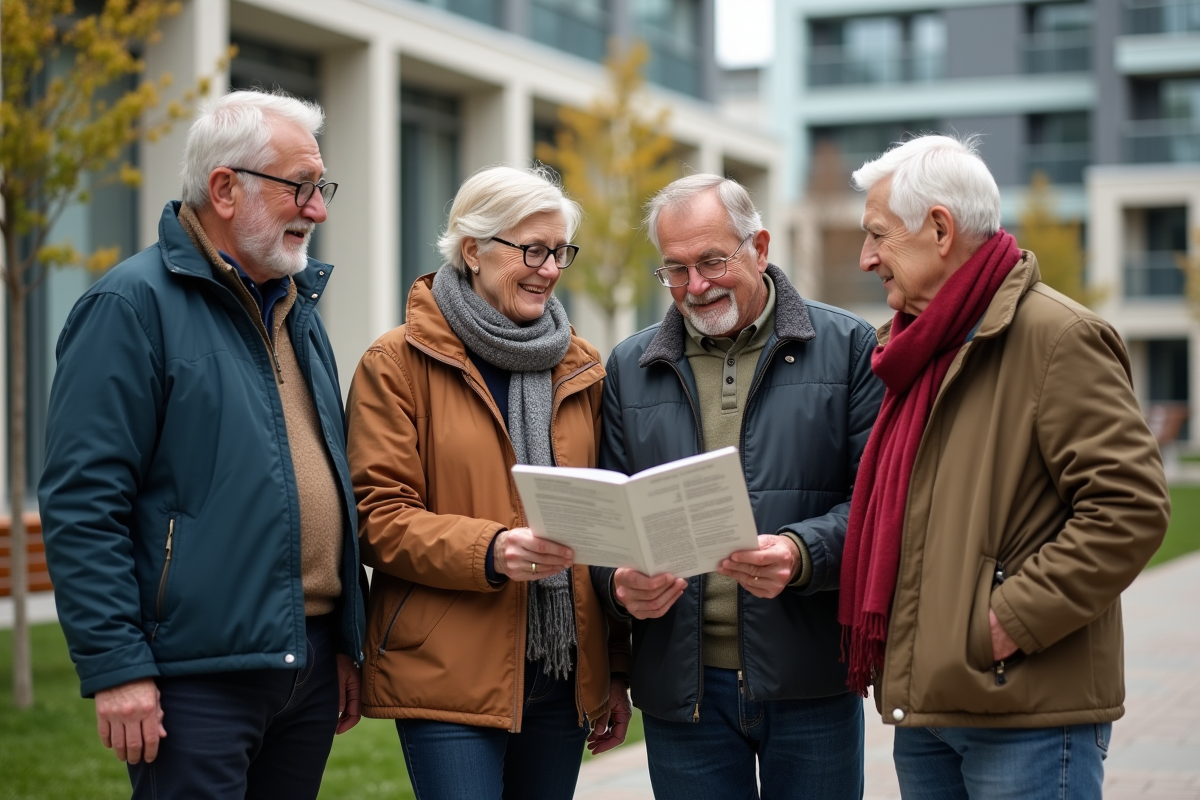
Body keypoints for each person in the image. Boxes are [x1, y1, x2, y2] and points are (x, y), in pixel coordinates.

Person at [38, 90, 366, 799]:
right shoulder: (129, 307)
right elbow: (81, 504)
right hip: (195, 675)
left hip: (304, 660)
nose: (319, 210)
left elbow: (323, 473)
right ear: (224, 188)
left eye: (322, 187)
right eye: (302, 187)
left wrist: (342, 640)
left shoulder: (295, 307)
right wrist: (117, 667)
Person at [841, 134, 1171, 799]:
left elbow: (1130, 509)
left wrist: (1004, 624)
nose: (866, 256)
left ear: (939, 229)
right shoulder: (915, 349)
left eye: (878, 235)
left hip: (1025, 710)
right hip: (930, 709)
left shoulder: (1059, 338)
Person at [593, 174, 884, 800]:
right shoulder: (628, 367)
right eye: (675, 269)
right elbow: (608, 520)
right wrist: (617, 584)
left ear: (760, 246)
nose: (695, 287)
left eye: (712, 261)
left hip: (808, 676)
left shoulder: (849, 348)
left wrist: (801, 554)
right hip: (683, 687)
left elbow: (877, 505)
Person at [346, 164, 632, 799]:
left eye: (561, 252)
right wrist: (494, 550)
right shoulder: (395, 364)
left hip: (561, 674)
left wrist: (613, 666)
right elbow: (376, 518)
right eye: (532, 250)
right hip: (447, 668)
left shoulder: (581, 367)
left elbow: (605, 524)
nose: (550, 268)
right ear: (473, 250)